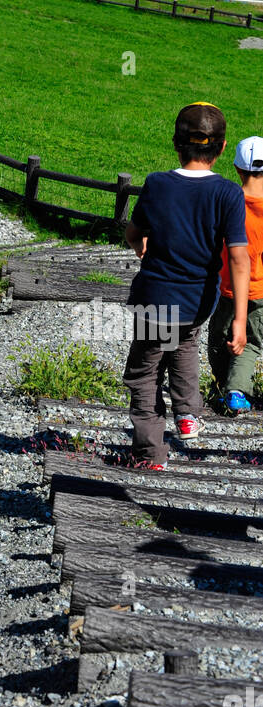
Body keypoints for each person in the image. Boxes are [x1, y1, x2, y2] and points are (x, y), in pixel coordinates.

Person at [122, 102, 249, 470]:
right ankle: (187, 416)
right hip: (198, 301)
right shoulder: (228, 194)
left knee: (145, 370)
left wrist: (140, 247)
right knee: (183, 345)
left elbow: (134, 233)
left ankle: (149, 452)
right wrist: (239, 319)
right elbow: (239, 259)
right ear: (222, 148)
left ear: (176, 144)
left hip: (154, 297)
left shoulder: (158, 184)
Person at [207, 135, 263, 414]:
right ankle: (237, 390)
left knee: (219, 337)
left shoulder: (229, 201)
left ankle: (222, 387)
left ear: (237, 168)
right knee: (251, 342)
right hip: (260, 291)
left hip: (226, 286)